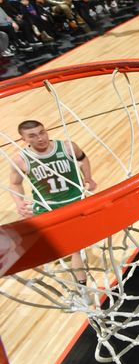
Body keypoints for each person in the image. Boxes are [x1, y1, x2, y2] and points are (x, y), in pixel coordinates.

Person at [8, 121, 97, 284]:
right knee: (39, 243)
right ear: (24, 139)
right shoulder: (21, 160)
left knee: (75, 248)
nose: (40, 138)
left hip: (74, 202)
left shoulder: (68, 147)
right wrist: (19, 202)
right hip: (46, 206)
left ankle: (83, 287)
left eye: (42, 132)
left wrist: (88, 177)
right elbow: (15, 183)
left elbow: (83, 159)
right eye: (32, 136)